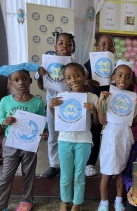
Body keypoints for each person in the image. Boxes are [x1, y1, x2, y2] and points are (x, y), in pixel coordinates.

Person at [0, 63, 48, 211]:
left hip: (29, 146)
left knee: (28, 174)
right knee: (6, 175)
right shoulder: (5, 101)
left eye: (24, 79)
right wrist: (4, 121)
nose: (21, 82)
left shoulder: (38, 103)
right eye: (17, 80)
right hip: (10, 143)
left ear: (30, 81)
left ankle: (26, 201)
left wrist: (45, 133)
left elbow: (42, 124)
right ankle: (0, 205)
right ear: (10, 83)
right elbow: (1, 118)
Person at [49, 62, 99, 211]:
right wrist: (52, 107)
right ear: (65, 81)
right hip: (64, 140)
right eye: (69, 78)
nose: (74, 80)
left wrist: (94, 111)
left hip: (83, 141)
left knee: (79, 175)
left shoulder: (91, 97)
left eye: (77, 75)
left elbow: (96, 123)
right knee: (65, 174)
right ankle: (64, 201)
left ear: (84, 76)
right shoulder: (61, 97)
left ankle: (77, 203)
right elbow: (59, 120)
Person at [97, 63, 137, 211]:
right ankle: (103, 202)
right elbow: (102, 121)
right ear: (113, 77)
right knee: (106, 172)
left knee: (120, 171)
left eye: (127, 76)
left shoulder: (132, 98)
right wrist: (100, 102)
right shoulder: (107, 95)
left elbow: (133, 122)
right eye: (120, 75)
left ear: (131, 80)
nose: (123, 78)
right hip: (110, 136)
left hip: (125, 137)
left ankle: (118, 201)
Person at [37, 31, 76, 179]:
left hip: (70, 105)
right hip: (53, 103)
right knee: (53, 134)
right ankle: (54, 164)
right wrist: (40, 75)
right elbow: (41, 86)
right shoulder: (47, 63)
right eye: (61, 43)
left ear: (72, 48)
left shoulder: (74, 64)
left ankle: (68, 163)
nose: (64, 46)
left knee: (69, 134)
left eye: (68, 44)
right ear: (55, 45)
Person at [84, 34, 115, 177]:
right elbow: (81, 79)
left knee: (112, 133)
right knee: (95, 132)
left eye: (110, 45)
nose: (107, 47)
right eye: (103, 44)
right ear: (97, 47)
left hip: (113, 103)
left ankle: (112, 162)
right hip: (96, 102)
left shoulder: (116, 64)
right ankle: (90, 162)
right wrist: (88, 83)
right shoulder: (90, 63)